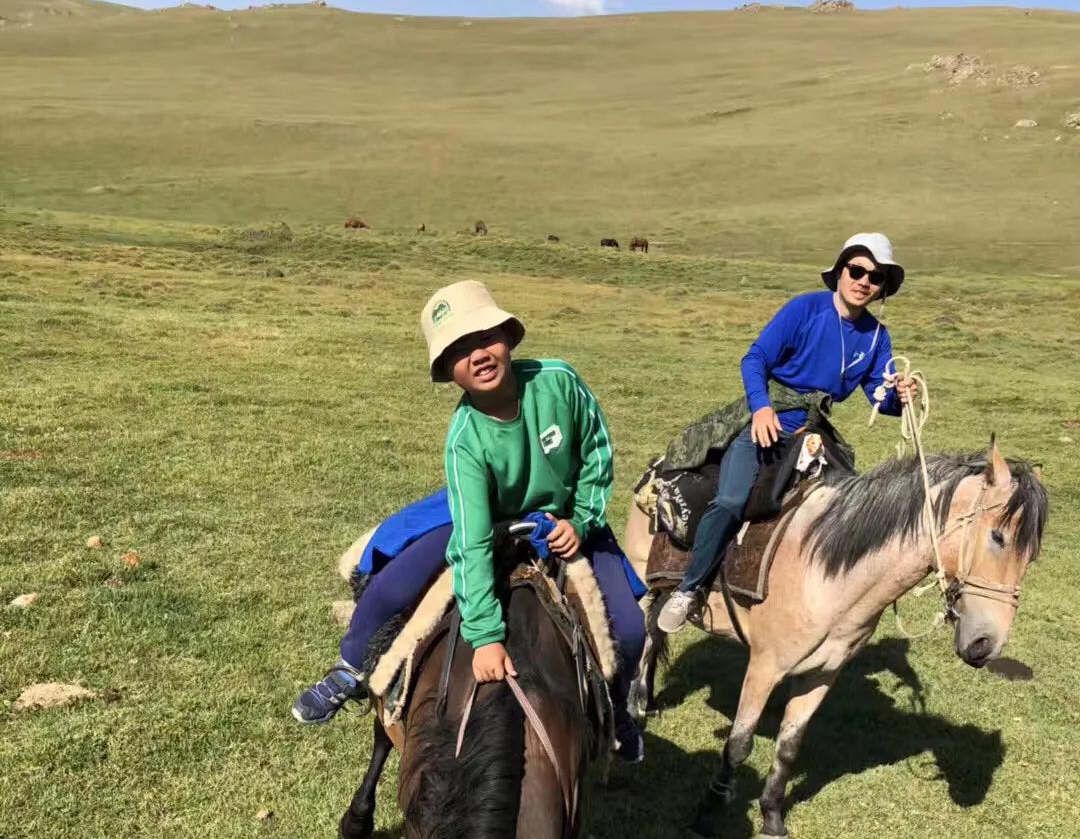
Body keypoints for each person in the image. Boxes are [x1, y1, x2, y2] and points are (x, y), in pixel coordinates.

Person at [292, 281, 646, 761]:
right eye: (458, 349)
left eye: (483, 336)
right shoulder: (464, 439)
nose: (476, 353)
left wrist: (580, 521)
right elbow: (473, 542)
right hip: (486, 511)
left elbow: (596, 452)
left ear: (506, 335)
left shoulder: (559, 380)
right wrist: (485, 638)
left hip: (567, 514)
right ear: (448, 371)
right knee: (394, 584)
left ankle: (616, 704)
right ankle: (349, 669)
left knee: (627, 628)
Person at [657, 233, 917, 634]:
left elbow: (879, 398)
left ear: (883, 287)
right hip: (771, 418)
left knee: (849, 506)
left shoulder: (878, 337)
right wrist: (761, 409)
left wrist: (901, 396)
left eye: (875, 277)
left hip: (814, 432)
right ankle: (689, 588)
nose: (864, 281)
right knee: (730, 500)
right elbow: (755, 357)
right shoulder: (805, 309)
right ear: (841, 270)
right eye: (857, 270)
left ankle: (824, 600)